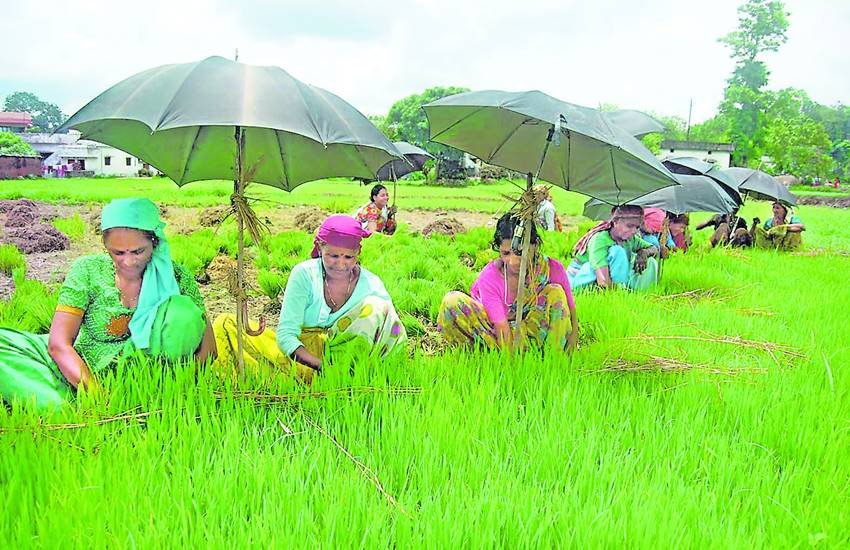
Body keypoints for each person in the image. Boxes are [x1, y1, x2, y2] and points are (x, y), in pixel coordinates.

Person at [0, 198, 216, 410]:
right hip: (81, 368)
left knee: (182, 312)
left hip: (146, 378)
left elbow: (209, 349)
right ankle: (73, 398)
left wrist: (175, 391)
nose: (128, 261)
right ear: (105, 246)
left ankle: (71, 404)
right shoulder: (88, 271)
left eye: (138, 251)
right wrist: (97, 397)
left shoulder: (176, 277)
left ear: (155, 242)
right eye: (118, 253)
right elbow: (59, 344)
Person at [213, 215, 406, 381]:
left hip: (343, 360)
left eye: (348, 257)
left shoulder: (371, 284)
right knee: (227, 324)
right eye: (333, 256)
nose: (340, 264)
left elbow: (392, 330)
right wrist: (321, 366)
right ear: (320, 247)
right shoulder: (304, 274)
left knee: (378, 307)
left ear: (358, 253)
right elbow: (286, 334)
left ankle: (349, 380)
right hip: (301, 356)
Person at [438, 212, 577, 351]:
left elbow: (570, 315)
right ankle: (484, 355)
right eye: (506, 253)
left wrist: (571, 351)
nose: (513, 261)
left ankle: (554, 354)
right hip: (493, 334)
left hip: (535, 332)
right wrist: (509, 361)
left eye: (520, 252)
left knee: (556, 292)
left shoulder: (552, 269)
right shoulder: (490, 276)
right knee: (452, 301)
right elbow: (501, 330)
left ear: (534, 246)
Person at [567, 205, 659, 291]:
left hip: (608, 279)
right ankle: (619, 291)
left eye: (637, 227)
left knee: (651, 262)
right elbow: (602, 280)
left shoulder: (631, 239)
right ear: (615, 222)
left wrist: (644, 252)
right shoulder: (600, 240)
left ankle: (643, 293)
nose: (634, 231)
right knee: (617, 251)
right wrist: (617, 295)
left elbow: (653, 248)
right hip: (581, 280)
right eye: (630, 226)